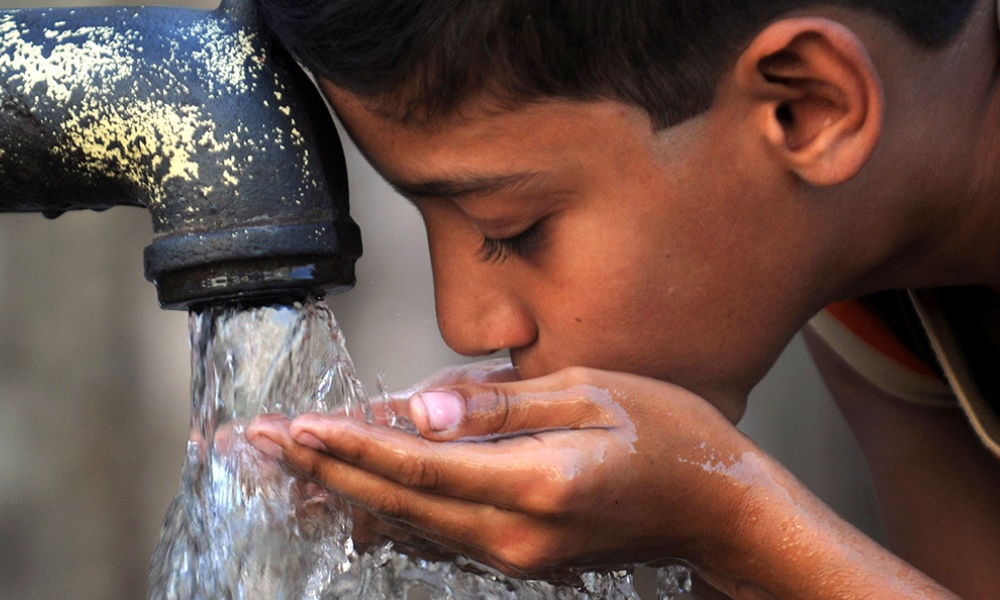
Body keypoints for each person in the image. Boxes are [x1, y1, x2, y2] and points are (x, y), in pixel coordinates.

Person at [245, 0, 1000, 597]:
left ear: (808, 107)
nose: (467, 324)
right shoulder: (866, 281)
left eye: (514, 229)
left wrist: (734, 524)